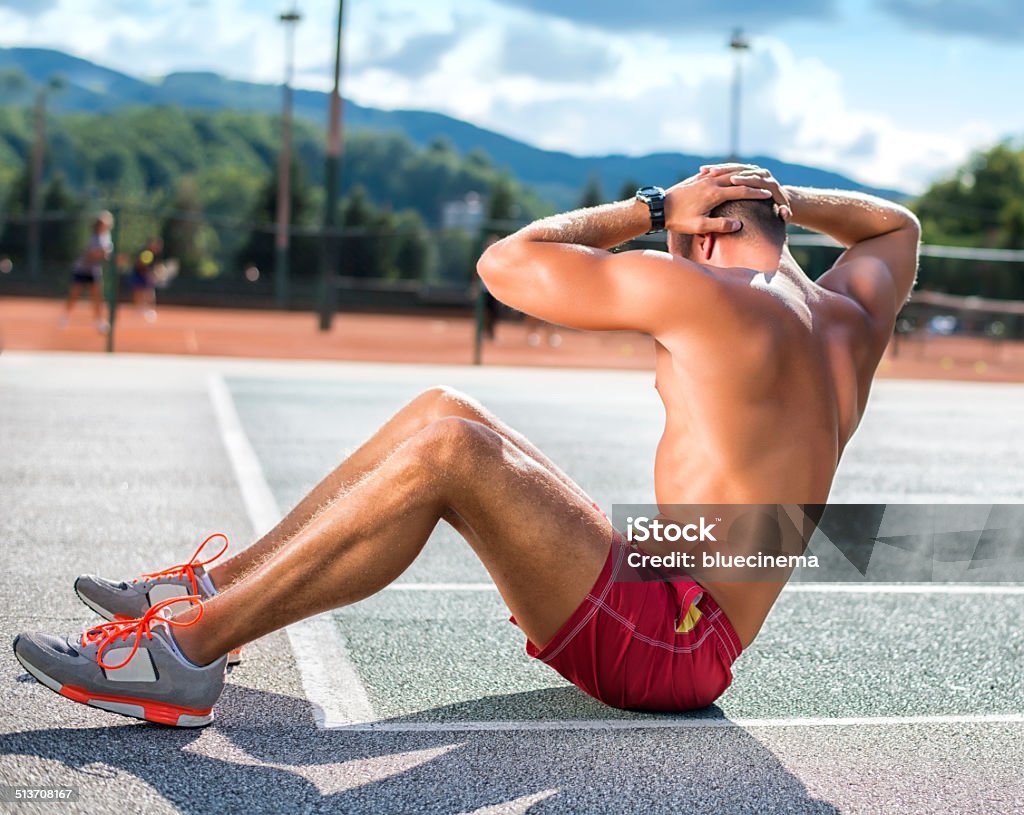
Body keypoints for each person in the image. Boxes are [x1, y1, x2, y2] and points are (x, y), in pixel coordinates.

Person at [14, 165, 920, 726]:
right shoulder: (847, 317)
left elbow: (503, 263)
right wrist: (776, 195)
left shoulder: (719, 298)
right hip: (676, 600)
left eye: (690, 237)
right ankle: (213, 586)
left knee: (453, 449)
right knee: (443, 406)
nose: (678, 255)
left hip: (669, 644)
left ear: (713, 231)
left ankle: (185, 653)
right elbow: (895, 227)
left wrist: (653, 207)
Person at [60, 211, 114, 334]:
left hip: (94, 270)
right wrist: (102, 253)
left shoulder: (107, 236)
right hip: (82, 269)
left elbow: (105, 255)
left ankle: (99, 321)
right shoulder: (93, 237)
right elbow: (90, 254)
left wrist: (107, 256)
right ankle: (65, 316)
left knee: (97, 297)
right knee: (74, 294)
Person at [130, 237, 163, 322]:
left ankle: (150, 310)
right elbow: (140, 265)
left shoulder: (157, 255)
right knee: (138, 292)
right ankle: (138, 309)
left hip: (147, 275)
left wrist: (155, 274)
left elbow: (157, 267)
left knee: (150, 292)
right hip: (139, 274)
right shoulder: (146, 253)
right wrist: (149, 273)